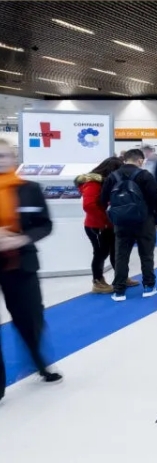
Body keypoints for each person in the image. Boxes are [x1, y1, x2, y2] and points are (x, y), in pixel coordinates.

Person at [0, 139, 63, 403]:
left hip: (21, 263)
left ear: (13, 158)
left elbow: (44, 224)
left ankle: (39, 362)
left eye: (4, 156)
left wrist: (22, 239)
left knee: (30, 317)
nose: (0, 161)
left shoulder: (30, 189)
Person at [98, 148, 157, 301]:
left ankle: (119, 291)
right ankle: (149, 287)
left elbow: (102, 200)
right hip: (144, 221)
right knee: (146, 254)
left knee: (121, 255)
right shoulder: (145, 175)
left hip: (121, 222)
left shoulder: (112, 176)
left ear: (125, 159)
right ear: (140, 160)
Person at [76, 157, 141, 293]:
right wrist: (105, 219)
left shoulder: (107, 182)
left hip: (109, 224)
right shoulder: (93, 183)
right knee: (100, 253)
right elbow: (89, 206)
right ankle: (97, 281)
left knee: (115, 251)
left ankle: (121, 276)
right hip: (97, 226)